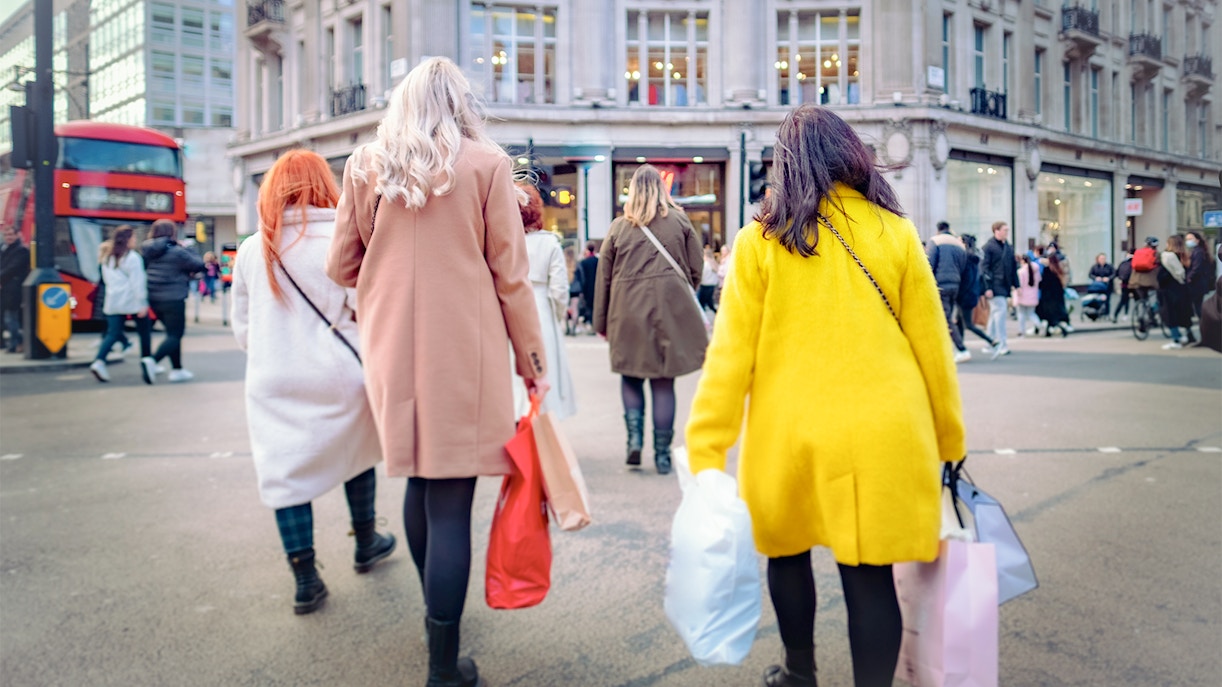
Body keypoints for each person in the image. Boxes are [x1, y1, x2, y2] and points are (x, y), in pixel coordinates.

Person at [686, 104, 965, 687]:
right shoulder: (896, 230)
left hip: (791, 430)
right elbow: (932, 346)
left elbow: (731, 356)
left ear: (785, 164)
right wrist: (949, 437)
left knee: (786, 555)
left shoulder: (761, 240)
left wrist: (707, 447)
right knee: (869, 574)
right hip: (885, 429)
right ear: (850, 154)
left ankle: (799, 672)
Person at [325, 56, 547, 687]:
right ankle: (444, 664)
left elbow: (342, 266)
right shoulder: (487, 165)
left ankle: (436, 616)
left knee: (420, 486)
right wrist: (533, 363)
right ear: (461, 103)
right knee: (451, 501)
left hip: (392, 345)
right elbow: (511, 277)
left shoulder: (367, 165)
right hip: (465, 351)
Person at [231, 148, 395, 616]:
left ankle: (306, 579)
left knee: (285, 475)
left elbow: (242, 328)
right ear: (326, 184)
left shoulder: (252, 248)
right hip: (340, 372)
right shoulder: (342, 238)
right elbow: (366, 310)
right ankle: (366, 542)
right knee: (357, 452)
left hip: (274, 376)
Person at [593, 164, 707, 475]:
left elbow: (603, 278)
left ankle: (634, 441)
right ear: (661, 189)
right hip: (667, 309)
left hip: (625, 311)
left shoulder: (618, 227)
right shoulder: (680, 222)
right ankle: (662, 455)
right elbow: (696, 270)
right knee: (662, 382)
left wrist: (600, 322)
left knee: (630, 376)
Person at [513, 182, 577, 420]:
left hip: (510, 311)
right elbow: (560, 290)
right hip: (542, 309)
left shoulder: (503, 241)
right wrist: (557, 316)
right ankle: (546, 424)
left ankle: (518, 422)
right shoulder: (549, 243)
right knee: (545, 366)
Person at [142, 219, 205, 383]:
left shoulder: (147, 249)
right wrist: (190, 248)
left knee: (171, 334)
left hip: (154, 298)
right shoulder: (177, 251)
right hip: (173, 297)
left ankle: (177, 369)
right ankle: (152, 361)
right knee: (176, 334)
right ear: (172, 232)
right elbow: (199, 264)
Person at [88, 225, 153, 382]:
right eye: (134, 238)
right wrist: (142, 302)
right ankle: (147, 360)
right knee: (144, 331)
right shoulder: (132, 258)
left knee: (113, 333)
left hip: (113, 300)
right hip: (132, 300)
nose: (135, 240)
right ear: (128, 239)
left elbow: (106, 280)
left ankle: (99, 361)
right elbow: (138, 282)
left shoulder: (107, 258)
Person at [926, 221, 969, 362]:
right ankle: (949, 347)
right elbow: (964, 265)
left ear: (938, 229)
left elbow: (929, 264)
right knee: (949, 315)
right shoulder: (958, 244)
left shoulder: (935, 241)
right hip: (955, 283)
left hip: (940, 284)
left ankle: (961, 349)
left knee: (946, 318)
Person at [980, 221, 1020, 355]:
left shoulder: (1008, 247)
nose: (1007, 232)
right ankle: (1002, 344)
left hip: (1003, 285)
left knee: (995, 314)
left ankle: (989, 342)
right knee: (1000, 314)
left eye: (1008, 230)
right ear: (996, 231)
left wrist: (1017, 285)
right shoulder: (988, 247)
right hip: (995, 286)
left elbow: (1013, 268)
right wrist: (988, 287)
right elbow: (984, 269)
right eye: (1005, 230)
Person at [954, 233, 997, 350]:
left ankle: (991, 340)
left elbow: (967, 279)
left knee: (968, 325)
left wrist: (959, 293)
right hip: (971, 294)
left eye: (958, 241)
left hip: (965, 296)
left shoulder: (966, 257)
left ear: (964, 243)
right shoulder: (973, 257)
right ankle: (961, 348)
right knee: (959, 322)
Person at [1158, 234, 1195, 349]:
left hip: (1170, 290)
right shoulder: (1185, 257)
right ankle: (1189, 336)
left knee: (1170, 315)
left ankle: (1176, 340)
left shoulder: (1168, 258)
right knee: (1184, 314)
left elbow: (1162, 277)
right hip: (1183, 289)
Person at [0, 225, 30, 353]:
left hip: (14, 290)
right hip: (5, 289)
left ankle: (17, 343)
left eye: (11, 235)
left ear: (17, 235)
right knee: (6, 318)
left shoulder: (21, 250)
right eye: (6, 235)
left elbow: (12, 269)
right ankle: (12, 343)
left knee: (11, 318)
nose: (9, 237)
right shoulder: (4, 249)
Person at [1184, 231, 1216, 343]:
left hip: (1196, 285)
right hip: (1199, 285)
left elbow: (1196, 269)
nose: (1188, 241)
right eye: (1187, 239)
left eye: (1190, 238)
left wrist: (1188, 278)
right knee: (1198, 309)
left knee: (1198, 310)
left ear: (1197, 240)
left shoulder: (1198, 252)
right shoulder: (1199, 251)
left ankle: (1206, 335)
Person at [1036, 251, 1071, 337]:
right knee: (1052, 318)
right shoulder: (1057, 270)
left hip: (1048, 298)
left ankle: (1059, 329)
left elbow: (1044, 284)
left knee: (1049, 317)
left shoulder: (1048, 270)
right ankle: (1049, 331)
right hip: (1056, 299)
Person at [1015, 254, 1040, 336]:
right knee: (1031, 313)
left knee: (1021, 313)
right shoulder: (1036, 270)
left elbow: (1019, 284)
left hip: (1022, 295)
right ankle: (1040, 325)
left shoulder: (1021, 271)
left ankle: (1021, 330)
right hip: (1033, 295)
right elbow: (1039, 280)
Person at [576, 240, 599, 332]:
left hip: (586, 287)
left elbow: (581, 276)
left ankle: (590, 322)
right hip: (597, 285)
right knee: (595, 305)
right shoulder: (598, 261)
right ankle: (594, 323)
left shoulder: (583, 262)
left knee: (588, 305)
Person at [1112, 251, 1133, 322]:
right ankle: (1127, 315)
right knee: (1139, 299)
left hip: (1124, 284)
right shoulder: (1134, 262)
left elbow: (1117, 273)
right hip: (1134, 284)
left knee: (1123, 300)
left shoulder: (1123, 263)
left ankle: (1115, 315)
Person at [698, 245, 720, 313]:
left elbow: (702, 274)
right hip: (711, 284)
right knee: (709, 302)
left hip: (705, 285)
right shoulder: (713, 263)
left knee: (702, 303)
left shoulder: (706, 264)